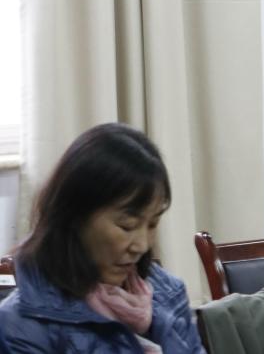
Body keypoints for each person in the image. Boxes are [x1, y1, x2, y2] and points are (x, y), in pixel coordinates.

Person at [0, 123, 204, 352]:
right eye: (127, 226)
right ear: (74, 215)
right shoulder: (20, 326)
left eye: (152, 224)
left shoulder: (168, 294)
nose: (142, 245)